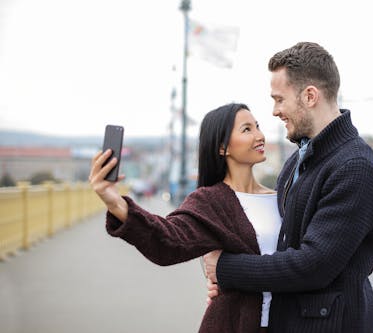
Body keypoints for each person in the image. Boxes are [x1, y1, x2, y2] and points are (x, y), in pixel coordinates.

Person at [203, 42, 373, 333]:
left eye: (279, 99)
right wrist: (224, 281)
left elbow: (311, 265)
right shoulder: (296, 163)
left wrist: (227, 269)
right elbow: (281, 244)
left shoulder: (355, 168)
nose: (275, 111)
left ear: (310, 96)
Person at [88, 103, 282, 333]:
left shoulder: (283, 197)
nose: (259, 136)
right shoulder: (211, 201)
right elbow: (168, 241)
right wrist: (115, 202)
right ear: (222, 147)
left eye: (257, 126)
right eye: (247, 129)